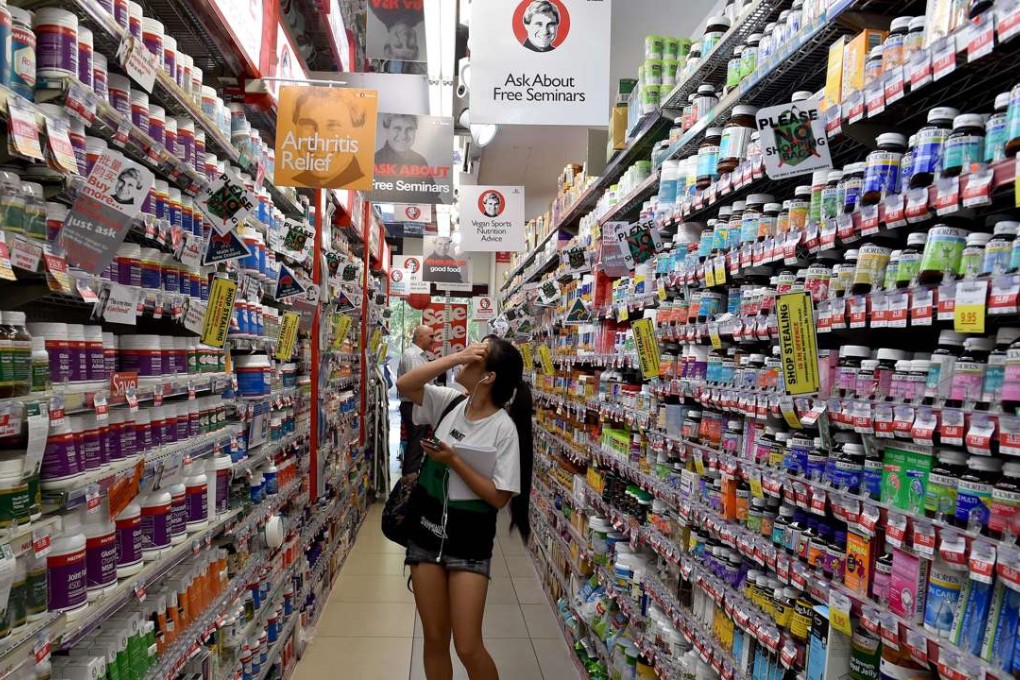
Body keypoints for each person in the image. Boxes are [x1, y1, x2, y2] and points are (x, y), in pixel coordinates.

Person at [396, 338, 533, 680]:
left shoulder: (503, 428)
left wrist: (454, 460)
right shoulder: (450, 402)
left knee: (468, 646)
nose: (467, 354)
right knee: (435, 639)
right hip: (426, 531)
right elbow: (404, 384)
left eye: (476, 353)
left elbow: (500, 497)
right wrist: (456, 356)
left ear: (487, 376)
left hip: (469, 543)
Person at [286, 88, 370, 188]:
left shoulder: (357, 183)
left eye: (333, 126)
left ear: (355, 133)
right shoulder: (295, 182)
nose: (319, 142)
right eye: (308, 124)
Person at [398, 325, 436, 474]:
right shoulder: (413, 355)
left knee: (417, 444)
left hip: (416, 404)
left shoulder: (420, 356)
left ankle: (411, 478)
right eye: (431, 336)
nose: (434, 340)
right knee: (415, 445)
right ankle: (409, 481)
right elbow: (417, 383)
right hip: (414, 405)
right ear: (420, 337)